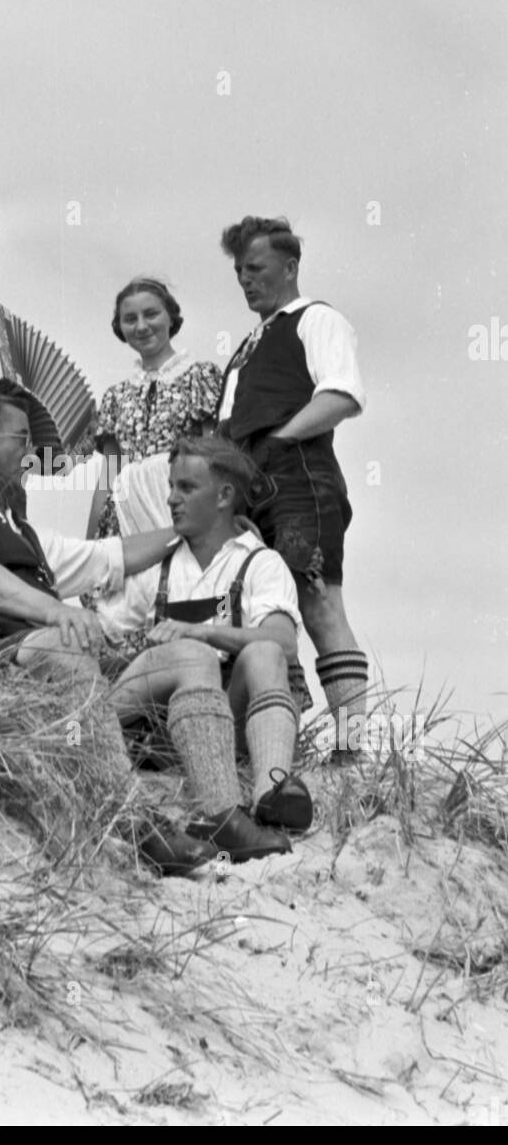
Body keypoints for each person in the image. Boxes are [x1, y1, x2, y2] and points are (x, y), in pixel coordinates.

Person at [0, 389, 222, 876]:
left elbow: (109, 556)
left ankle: (224, 812)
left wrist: (195, 528)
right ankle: (132, 820)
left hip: (58, 689)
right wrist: (56, 613)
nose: (31, 452)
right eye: (22, 439)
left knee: (189, 656)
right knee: (64, 642)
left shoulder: (24, 531)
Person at [97, 436, 312, 862]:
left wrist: (201, 633)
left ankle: (272, 791)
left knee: (264, 652)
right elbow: (102, 629)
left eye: (186, 488)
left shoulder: (259, 562)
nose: (172, 499)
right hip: (161, 730)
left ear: (225, 496)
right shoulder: (159, 567)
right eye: (172, 487)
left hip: (228, 721)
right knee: (175, 658)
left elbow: (284, 641)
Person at [217, 216, 367, 758]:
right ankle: (287, 742)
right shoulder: (245, 349)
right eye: (239, 272)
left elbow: (341, 396)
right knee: (264, 608)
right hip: (249, 489)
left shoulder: (316, 319)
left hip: (301, 481)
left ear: (290, 266)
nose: (245, 281)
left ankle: (352, 749)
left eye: (254, 269)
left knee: (319, 603)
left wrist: (279, 439)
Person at [86, 278, 224, 540]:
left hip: (178, 504)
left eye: (151, 314)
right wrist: (91, 544)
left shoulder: (200, 376)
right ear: (120, 327)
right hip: (125, 514)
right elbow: (108, 477)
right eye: (130, 319)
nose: (141, 326)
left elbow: (214, 458)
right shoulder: (116, 396)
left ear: (170, 317)